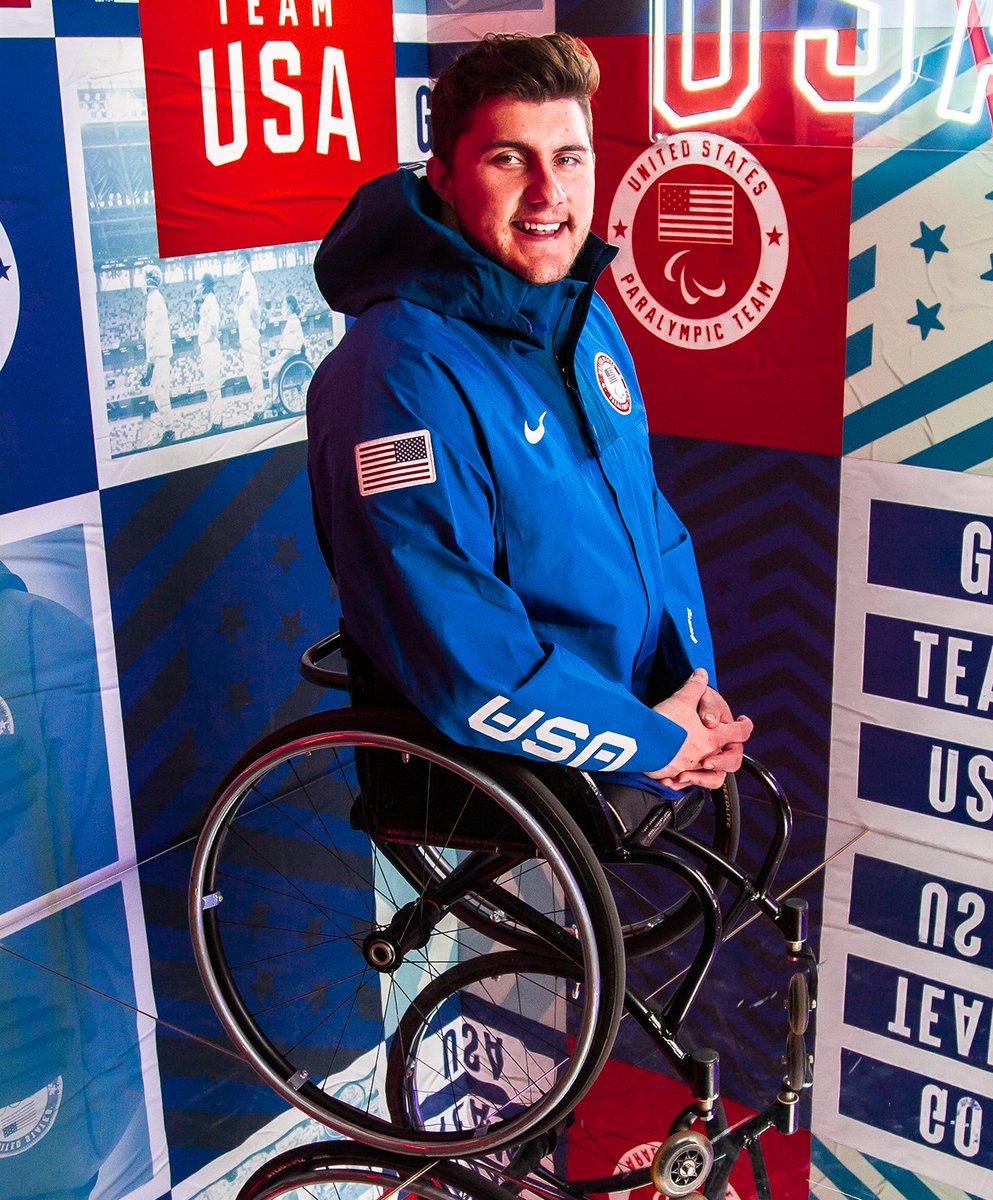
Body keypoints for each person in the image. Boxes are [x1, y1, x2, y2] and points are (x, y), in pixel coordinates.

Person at [306, 33, 750, 830]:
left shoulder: (582, 320)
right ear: (441, 175)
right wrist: (651, 740)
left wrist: (697, 691)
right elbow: (457, 647)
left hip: (634, 712)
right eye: (510, 159)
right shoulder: (395, 375)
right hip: (499, 757)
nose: (550, 192)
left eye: (570, 158)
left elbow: (654, 527)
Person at [139, 264, 176, 446]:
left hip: (158, 354)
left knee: (160, 392)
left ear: (149, 279)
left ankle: (169, 431)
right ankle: (167, 429)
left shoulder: (154, 299)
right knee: (158, 392)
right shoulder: (154, 299)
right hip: (158, 353)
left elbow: (152, 332)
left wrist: (149, 361)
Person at [236, 249, 266, 417]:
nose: (239, 263)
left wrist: (256, 325)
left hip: (250, 331)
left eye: (242, 259)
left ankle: (259, 407)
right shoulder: (244, 280)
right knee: (250, 370)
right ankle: (258, 405)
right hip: (245, 332)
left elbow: (253, 307)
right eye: (238, 260)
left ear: (247, 261)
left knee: (253, 369)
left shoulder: (248, 279)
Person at [196, 273, 225, 430]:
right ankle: (215, 419)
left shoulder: (210, 299)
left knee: (213, 385)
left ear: (205, 284)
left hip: (210, 344)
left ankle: (217, 421)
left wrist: (212, 335)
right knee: (210, 384)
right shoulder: (206, 300)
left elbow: (213, 324)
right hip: (207, 344)